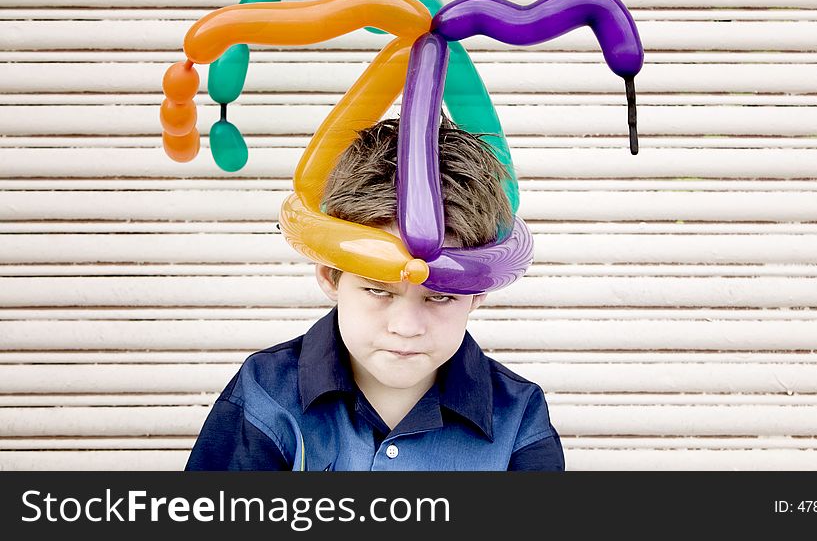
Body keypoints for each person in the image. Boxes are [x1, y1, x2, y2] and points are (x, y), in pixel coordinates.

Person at [185, 114, 564, 470]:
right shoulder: (265, 393)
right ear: (330, 277)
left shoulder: (519, 420)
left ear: (477, 293)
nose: (406, 327)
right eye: (378, 291)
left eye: (440, 296)